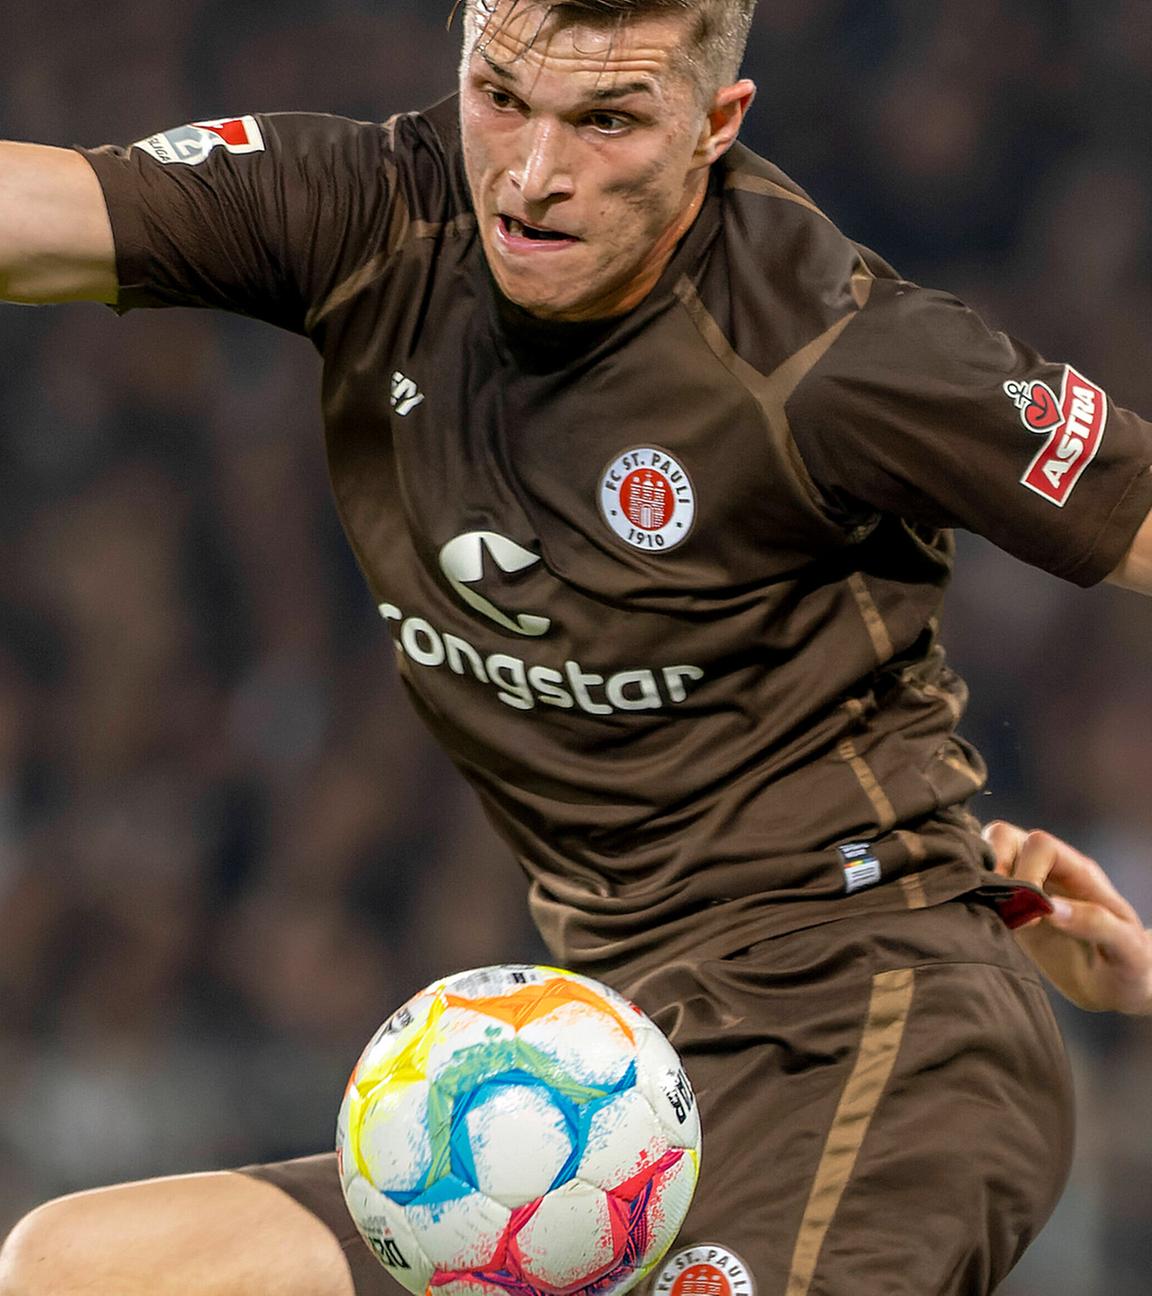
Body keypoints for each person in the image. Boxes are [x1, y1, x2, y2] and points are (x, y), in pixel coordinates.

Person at [0, 1, 1150, 1293]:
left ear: (718, 123)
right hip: (596, 1078)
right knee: (81, 1267)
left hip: (878, 1032)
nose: (534, 172)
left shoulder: (830, 348)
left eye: (607, 119)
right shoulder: (371, 213)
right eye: (502, 97)